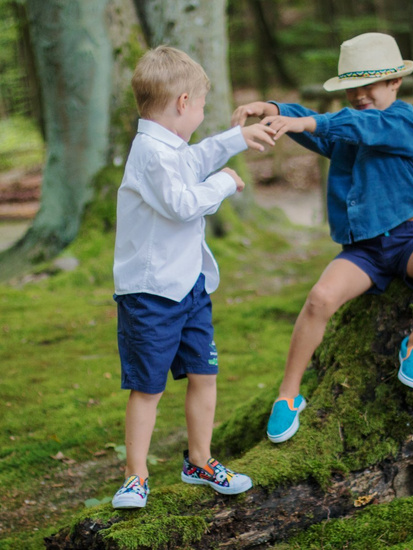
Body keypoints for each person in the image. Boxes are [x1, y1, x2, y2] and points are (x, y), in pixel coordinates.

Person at [231, 32, 413, 444]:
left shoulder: (402, 120)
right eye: (352, 88)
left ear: (394, 82)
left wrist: (308, 120)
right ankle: (288, 396)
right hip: (363, 252)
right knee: (319, 298)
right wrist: (270, 109)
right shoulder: (342, 129)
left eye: (369, 85)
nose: (359, 95)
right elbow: (315, 126)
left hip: (409, 241)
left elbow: (359, 126)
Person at [111, 45, 276, 508]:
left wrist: (240, 138)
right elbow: (183, 204)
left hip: (190, 288)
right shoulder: (150, 153)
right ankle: (135, 475)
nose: (203, 114)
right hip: (150, 294)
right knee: (147, 387)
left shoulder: (171, 147)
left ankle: (200, 461)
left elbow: (198, 157)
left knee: (205, 373)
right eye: (202, 105)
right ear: (184, 102)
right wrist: (226, 181)